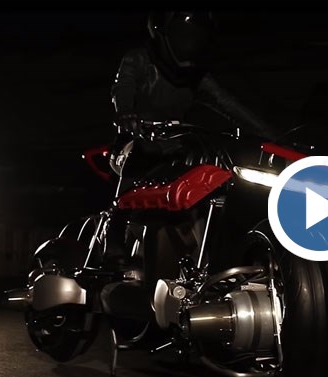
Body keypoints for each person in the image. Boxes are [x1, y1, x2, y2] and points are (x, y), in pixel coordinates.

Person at [103, 11, 279, 269]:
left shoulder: (195, 75)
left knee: (211, 176)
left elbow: (227, 103)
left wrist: (269, 135)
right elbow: (122, 87)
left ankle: (209, 254)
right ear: (162, 32)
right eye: (184, 34)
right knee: (135, 162)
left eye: (196, 36)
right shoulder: (138, 59)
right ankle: (114, 239)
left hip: (177, 146)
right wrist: (126, 113)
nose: (189, 42)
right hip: (134, 140)